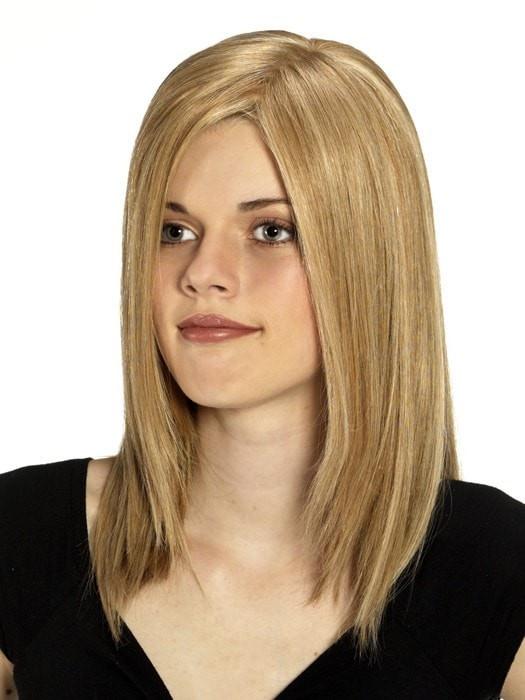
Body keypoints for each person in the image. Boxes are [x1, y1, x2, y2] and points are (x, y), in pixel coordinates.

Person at [1, 29, 524, 700]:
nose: (202, 273)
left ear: (367, 258)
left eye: (270, 231)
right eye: (175, 231)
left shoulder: (492, 571)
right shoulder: (21, 539)